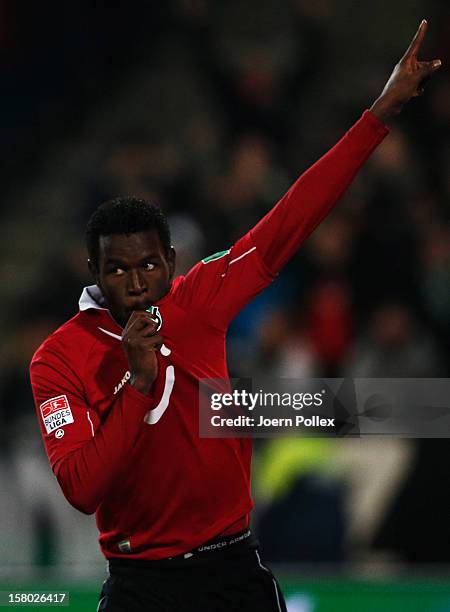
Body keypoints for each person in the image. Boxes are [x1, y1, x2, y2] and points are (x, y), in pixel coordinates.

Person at [30, 20, 440, 612]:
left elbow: (292, 216)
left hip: (231, 573)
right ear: (94, 273)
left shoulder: (199, 298)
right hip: (140, 584)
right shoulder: (59, 358)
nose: (136, 282)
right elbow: (81, 489)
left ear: (171, 261)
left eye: (148, 264)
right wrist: (137, 385)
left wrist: (380, 113)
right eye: (117, 270)